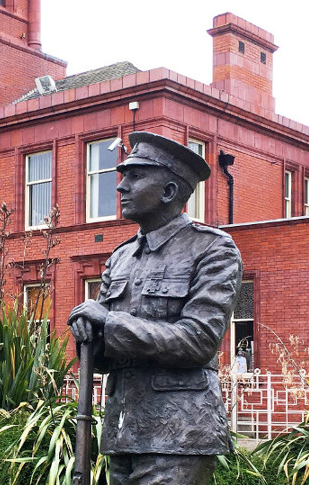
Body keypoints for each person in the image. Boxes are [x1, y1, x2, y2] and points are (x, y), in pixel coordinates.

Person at [69, 131, 243, 484]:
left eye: (135, 176)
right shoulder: (119, 258)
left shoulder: (211, 250)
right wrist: (88, 332)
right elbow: (104, 358)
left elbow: (199, 341)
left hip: (179, 436)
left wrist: (109, 321)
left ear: (168, 192)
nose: (121, 187)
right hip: (122, 435)